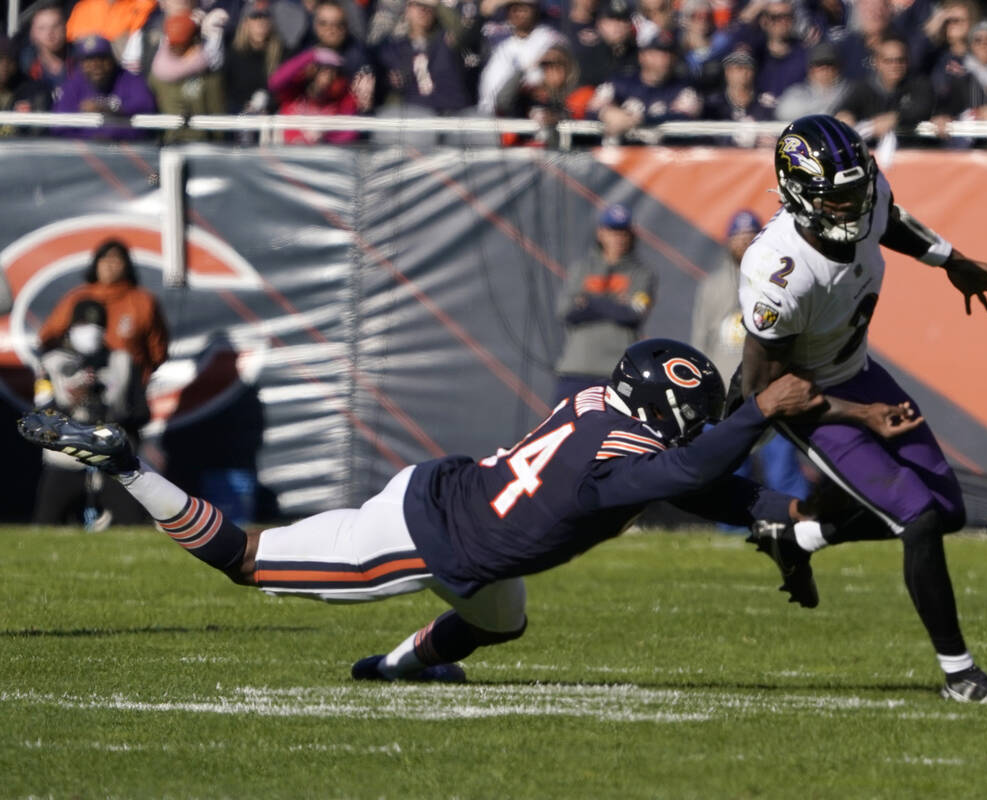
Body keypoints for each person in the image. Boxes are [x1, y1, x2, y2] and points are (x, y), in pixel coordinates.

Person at [16, 339, 916, 681]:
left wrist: (793, 520)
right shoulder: (614, 469)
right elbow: (698, 470)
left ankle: (399, 667)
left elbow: (705, 478)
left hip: (461, 507)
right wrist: (761, 421)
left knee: (501, 621)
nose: (700, 424)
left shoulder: (599, 412)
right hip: (430, 537)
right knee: (248, 560)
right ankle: (129, 465)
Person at [735, 114, 987, 703]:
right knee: (916, 516)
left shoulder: (864, 195)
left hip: (860, 372)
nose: (853, 208)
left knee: (946, 511)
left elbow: (887, 217)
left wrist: (951, 260)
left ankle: (797, 539)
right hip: (805, 397)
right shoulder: (778, 271)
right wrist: (859, 416)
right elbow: (766, 392)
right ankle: (960, 675)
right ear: (797, 192)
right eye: (838, 200)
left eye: (857, 191)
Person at [692, 210, 810, 501]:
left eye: (750, 237)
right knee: (728, 466)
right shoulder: (712, 285)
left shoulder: (780, 281)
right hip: (725, 393)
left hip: (770, 388)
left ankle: (798, 523)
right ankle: (730, 529)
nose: (744, 243)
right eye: (738, 237)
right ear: (727, 241)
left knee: (782, 465)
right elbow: (700, 340)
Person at [31, 299, 146, 528]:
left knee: (132, 523)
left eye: (98, 325)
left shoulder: (121, 361)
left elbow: (141, 413)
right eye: (84, 323)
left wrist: (111, 416)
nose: (91, 331)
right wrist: (72, 401)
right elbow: (42, 413)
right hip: (66, 457)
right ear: (72, 327)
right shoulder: (51, 363)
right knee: (45, 523)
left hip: (110, 457)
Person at [38, 238, 169, 391]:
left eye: (116, 259)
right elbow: (49, 337)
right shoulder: (76, 299)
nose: (109, 265)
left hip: (128, 390)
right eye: (104, 259)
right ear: (96, 264)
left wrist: (137, 375)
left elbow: (157, 350)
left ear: (127, 265)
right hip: (81, 388)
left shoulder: (143, 301)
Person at [553, 204, 655, 401]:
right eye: (612, 231)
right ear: (600, 233)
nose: (618, 238)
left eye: (623, 232)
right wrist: (615, 304)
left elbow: (634, 313)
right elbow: (565, 311)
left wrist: (589, 302)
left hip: (617, 373)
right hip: (575, 370)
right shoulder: (581, 269)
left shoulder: (643, 273)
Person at [52, 35, 158, 140]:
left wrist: (109, 109)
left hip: (127, 149)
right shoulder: (72, 86)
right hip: (82, 150)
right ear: (81, 64)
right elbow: (60, 127)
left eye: (102, 59)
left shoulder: (130, 80)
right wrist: (91, 138)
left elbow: (146, 107)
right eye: (89, 60)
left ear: (112, 60)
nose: (96, 65)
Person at [835, 34, 935, 144]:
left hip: (911, 149)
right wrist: (845, 116)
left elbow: (923, 108)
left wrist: (896, 118)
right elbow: (844, 110)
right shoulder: (863, 88)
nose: (895, 65)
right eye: (888, 61)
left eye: (900, 60)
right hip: (871, 150)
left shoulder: (920, 84)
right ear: (877, 63)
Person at [147, 12, 226, 142]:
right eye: (173, 42)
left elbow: (216, 112)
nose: (176, 47)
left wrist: (217, 144)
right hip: (169, 143)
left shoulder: (208, 75)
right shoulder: (157, 75)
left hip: (202, 145)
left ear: (194, 40)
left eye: (182, 42)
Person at [224, 0, 285, 116]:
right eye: (255, 17)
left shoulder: (281, 53)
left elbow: (284, 89)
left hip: (270, 116)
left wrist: (269, 103)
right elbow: (225, 90)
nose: (260, 23)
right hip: (239, 116)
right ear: (245, 23)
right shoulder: (233, 53)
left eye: (265, 17)